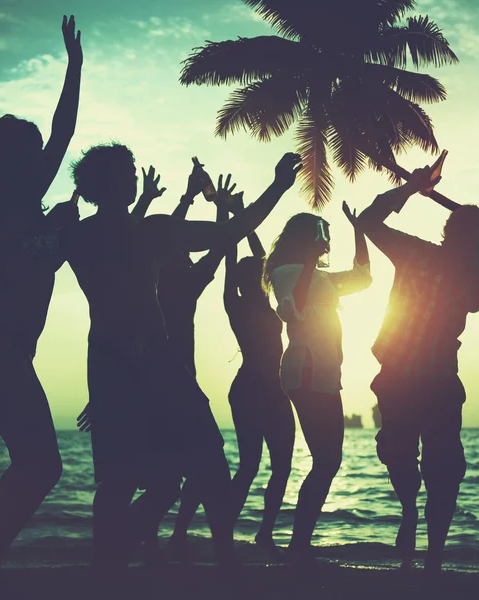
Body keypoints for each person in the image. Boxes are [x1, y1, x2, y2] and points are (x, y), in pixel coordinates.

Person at [63, 143, 301, 575]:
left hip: (108, 361)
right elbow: (230, 232)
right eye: (130, 171)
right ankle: (209, 559)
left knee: (129, 479)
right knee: (203, 457)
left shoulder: (79, 235)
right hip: (151, 358)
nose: (136, 178)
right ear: (113, 180)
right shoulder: (146, 231)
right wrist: (278, 186)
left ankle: (108, 563)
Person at [0, 16, 82, 590]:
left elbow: (64, 131)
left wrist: (74, 65)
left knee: (36, 464)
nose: (45, 151)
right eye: (33, 148)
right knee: (42, 464)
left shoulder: (34, 201)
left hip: (14, 348)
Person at [357, 167, 479, 574]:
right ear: (451, 233)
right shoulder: (415, 252)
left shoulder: (468, 274)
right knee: (397, 453)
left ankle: (433, 554)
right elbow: (366, 221)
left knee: (445, 468)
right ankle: (410, 510)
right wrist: (410, 189)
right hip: (398, 375)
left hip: (438, 381)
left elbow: (478, 301)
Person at [171, 185, 296, 557]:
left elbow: (261, 257)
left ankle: (264, 535)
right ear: (243, 281)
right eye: (248, 274)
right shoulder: (234, 304)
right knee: (250, 466)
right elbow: (229, 254)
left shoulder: (268, 303)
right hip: (250, 390)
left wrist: (242, 214)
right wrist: (227, 215)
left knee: (282, 466)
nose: (256, 275)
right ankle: (222, 533)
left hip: (275, 390)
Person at [264, 203, 372, 561]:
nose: (325, 241)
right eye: (319, 234)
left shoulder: (324, 278)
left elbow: (363, 278)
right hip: (305, 369)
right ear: (304, 239)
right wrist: (311, 260)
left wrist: (359, 230)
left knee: (330, 461)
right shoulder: (286, 271)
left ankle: (299, 543)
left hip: (327, 373)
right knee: (326, 460)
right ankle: (298, 545)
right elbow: (291, 308)